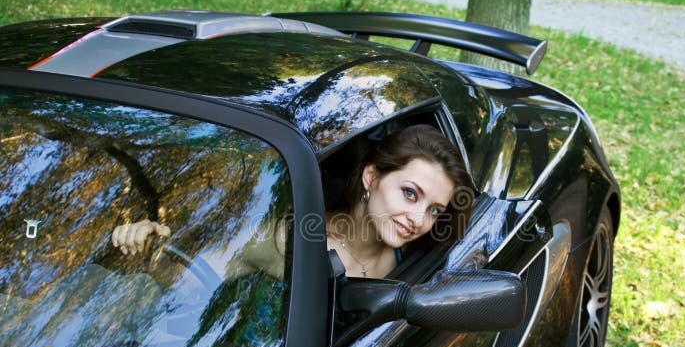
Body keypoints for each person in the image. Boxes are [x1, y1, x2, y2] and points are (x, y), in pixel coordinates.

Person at [111, 124, 474, 280]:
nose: (417, 217)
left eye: (433, 210)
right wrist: (150, 248)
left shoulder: (415, 252)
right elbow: (189, 281)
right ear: (371, 178)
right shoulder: (288, 240)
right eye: (410, 194)